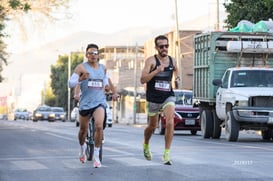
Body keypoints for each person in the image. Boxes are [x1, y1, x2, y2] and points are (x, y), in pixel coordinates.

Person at [68, 43, 118, 168]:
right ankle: (82, 148)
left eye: (96, 53)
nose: (93, 55)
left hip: (99, 102)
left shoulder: (102, 68)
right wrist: (80, 79)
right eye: (91, 53)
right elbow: (70, 83)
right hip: (85, 103)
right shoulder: (81, 68)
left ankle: (96, 156)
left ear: (98, 55)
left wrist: (107, 87)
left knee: (99, 126)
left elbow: (105, 81)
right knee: (83, 131)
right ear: (86, 55)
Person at [140, 35, 179, 165]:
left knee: (170, 122)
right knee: (152, 126)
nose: (164, 49)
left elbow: (176, 72)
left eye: (166, 46)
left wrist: (177, 80)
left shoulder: (172, 61)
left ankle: (166, 154)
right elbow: (143, 79)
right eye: (161, 46)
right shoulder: (151, 61)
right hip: (153, 98)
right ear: (156, 48)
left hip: (168, 96)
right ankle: (146, 144)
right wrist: (156, 71)